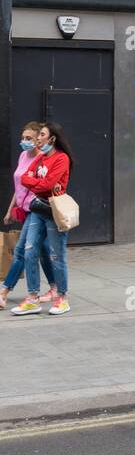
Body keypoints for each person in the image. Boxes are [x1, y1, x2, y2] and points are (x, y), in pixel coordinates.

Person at [11, 121, 74, 316]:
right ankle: (32, 298)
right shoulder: (40, 158)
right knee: (29, 251)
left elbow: (48, 185)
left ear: (52, 138)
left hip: (54, 211)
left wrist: (36, 183)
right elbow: (24, 178)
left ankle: (62, 298)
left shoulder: (61, 158)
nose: (38, 139)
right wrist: (38, 184)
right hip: (38, 208)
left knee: (57, 255)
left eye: (42, 135)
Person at [0, 121, 57, 311]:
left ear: (38, 140)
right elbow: (19, 187)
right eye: (23, 138)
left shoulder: (42, 159)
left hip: (37, 210)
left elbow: (43, 186)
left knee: (22, 251)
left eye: (29, 138)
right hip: (24, 209)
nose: (24, 141)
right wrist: (10, 210)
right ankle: (55, 288)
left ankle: (4, 291)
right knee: (42, 251)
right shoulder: (23, 155)